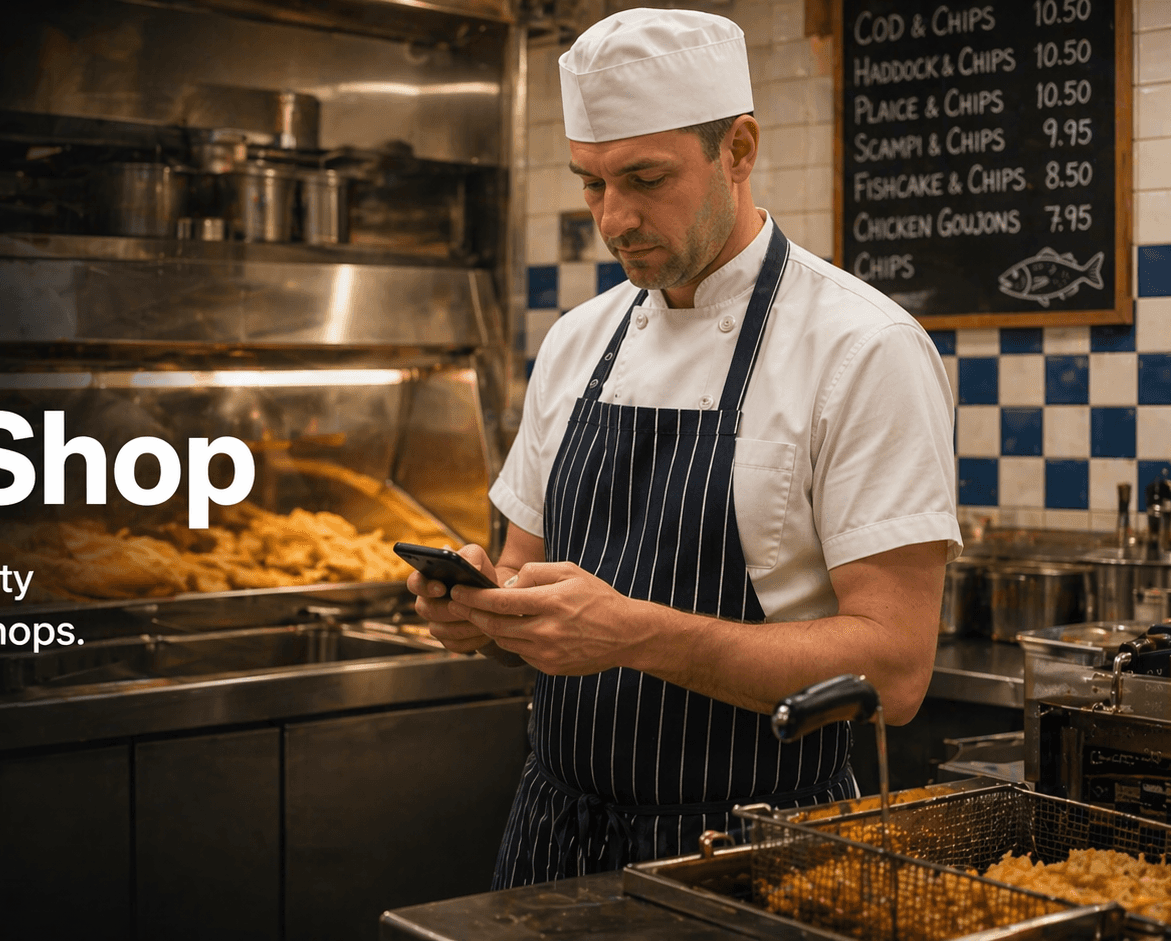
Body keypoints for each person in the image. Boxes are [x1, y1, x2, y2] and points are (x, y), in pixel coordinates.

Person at [407, 8, 960, 888]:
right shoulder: (577, 341)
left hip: (757, 850)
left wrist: (633, 633)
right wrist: (483, 616)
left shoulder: (863, 349)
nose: (614, 218)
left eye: (645, 178)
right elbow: (521, 575)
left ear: (738, 149)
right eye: (592, 183)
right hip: (554, 835)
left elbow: (894, 672)